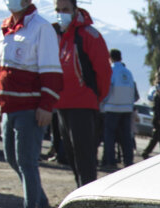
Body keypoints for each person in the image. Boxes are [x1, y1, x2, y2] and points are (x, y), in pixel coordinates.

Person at [0, 0, 62, 208]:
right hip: (10, 106)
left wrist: (46, 105)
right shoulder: (6, 26)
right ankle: (42, 204)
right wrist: (0, 101)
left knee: (26, 160)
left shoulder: (41, 28)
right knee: (12, 158)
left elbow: (51, 71)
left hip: (30, 106)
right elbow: (2, 67)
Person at [53, 0, 109, 187]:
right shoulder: (57, 36)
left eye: (65, 10)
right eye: (58, 10)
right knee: (71, 158)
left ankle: (89, 201)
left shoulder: (89, 35)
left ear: (75, 10)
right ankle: (80, 195)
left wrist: (95, 97)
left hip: (83, 105)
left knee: (85, 160)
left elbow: (103, 72)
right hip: (62, 106)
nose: (61, 14)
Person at [99, 49, 136, 170]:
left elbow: (107, 89)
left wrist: (102, 102)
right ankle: (128, 161)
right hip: (126, 109)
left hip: (112, 108)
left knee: (109, 137)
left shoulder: (111, 71)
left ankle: (110, 161)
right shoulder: (128, 73)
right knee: (126, 137)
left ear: (110, 58)